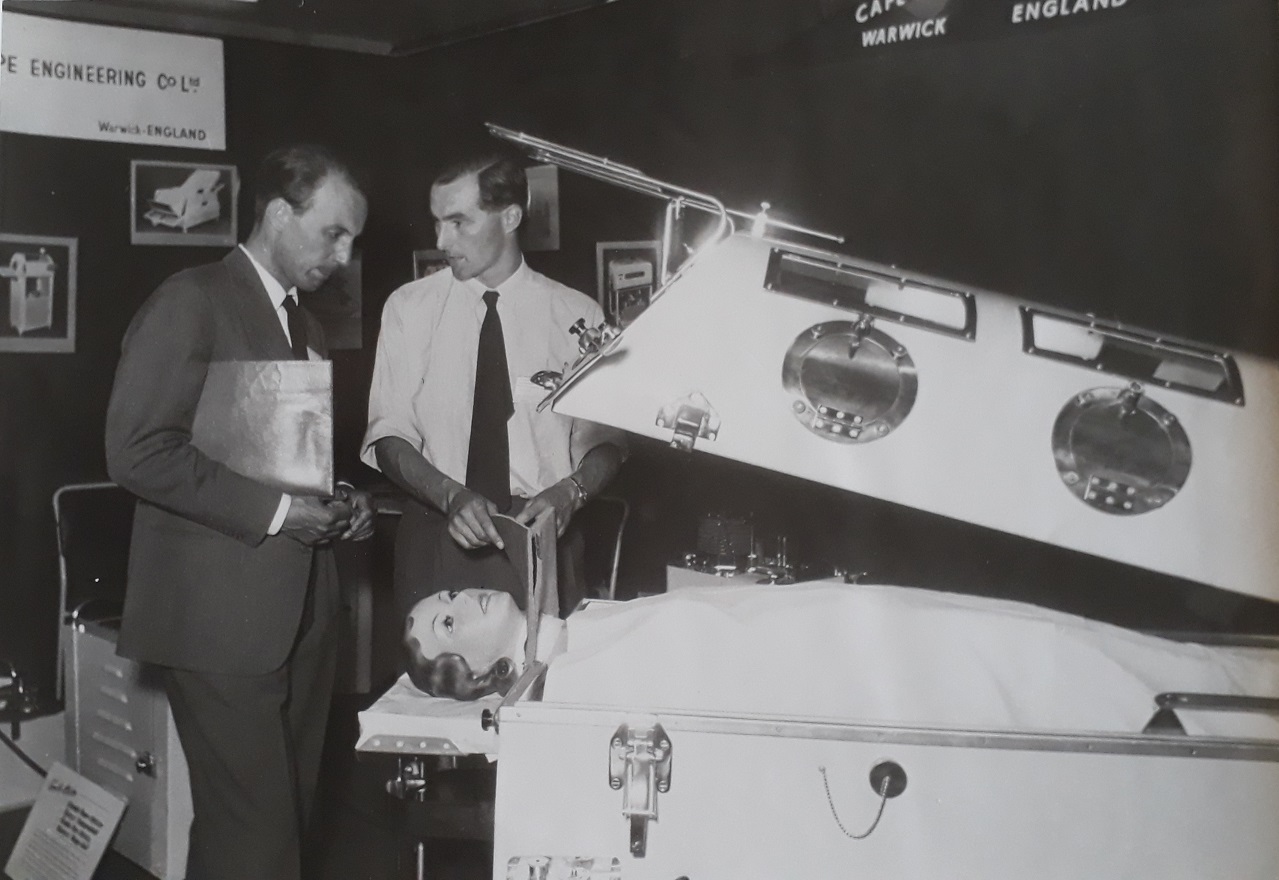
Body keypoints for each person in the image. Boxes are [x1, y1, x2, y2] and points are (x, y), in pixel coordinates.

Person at [105, 144, 374, 880]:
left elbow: (274, 459)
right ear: (279, 214)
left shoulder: (306, 326)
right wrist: (283, 512)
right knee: (260, 843)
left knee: (266, 834)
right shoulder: (190, 300)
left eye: (352, 240)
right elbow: (136, 451)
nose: (344, 257)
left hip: (301, 617)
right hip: (219, 624)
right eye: (334, 234)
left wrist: (338, 499)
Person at [401, 583, 1279, 739]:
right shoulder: (578, 685)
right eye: (444, 624)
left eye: (443, 597)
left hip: (871, 628)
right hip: (874, 676)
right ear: (473, 677)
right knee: (1046, 668)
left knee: (1048, 636)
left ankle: (1232, 692)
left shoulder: (580, 628)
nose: (456, 599)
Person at [363, 150, 626, 621]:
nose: (441, 240)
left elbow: (606, 443)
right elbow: (388, 435)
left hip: (542, 536)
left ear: (510, 217)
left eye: (458, 222)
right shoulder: (409, 308)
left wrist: (570, 493)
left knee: (545, 666)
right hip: (437, 531)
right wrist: (451, 496)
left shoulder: (576, 314)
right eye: (437, 222)